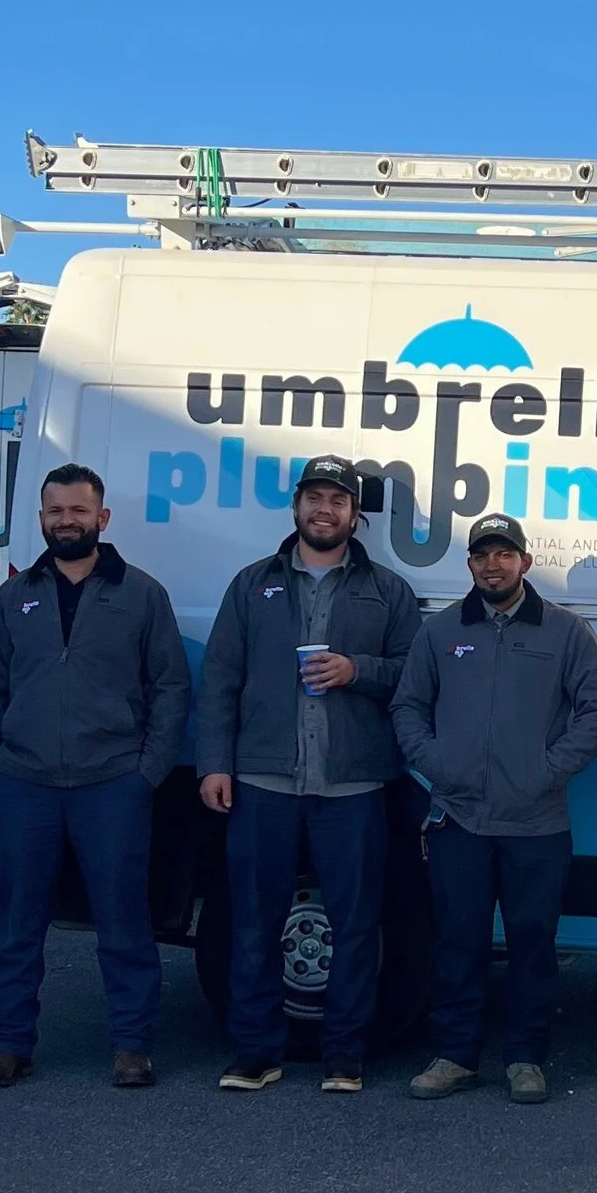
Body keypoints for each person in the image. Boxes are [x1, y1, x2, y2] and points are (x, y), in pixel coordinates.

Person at [197, 454, 419, 1095]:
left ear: (355, 515)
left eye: (337, 501)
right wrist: (214, 764)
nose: (325, 510)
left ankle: (344, 1057)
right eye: (315, 498)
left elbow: (415, 674)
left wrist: (358, 670)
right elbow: (220, 680)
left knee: (356, 926)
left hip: (354, 785)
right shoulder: (252, 585)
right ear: (296, 506)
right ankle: (255, 1053)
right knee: (254, 923)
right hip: (263, 781)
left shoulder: (388, 590)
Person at [0, 464, 188, 1091]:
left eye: (79, 510)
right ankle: (8, 1045)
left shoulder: (142, 593)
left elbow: (170, 687)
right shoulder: (16, 595)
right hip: (24, 781)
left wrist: (147, 770)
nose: (67, 521)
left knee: (123, 921)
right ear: (41, 518)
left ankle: (131, 1046)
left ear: (102, 517)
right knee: (18, 923)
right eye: (56, 511)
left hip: (113, 780)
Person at [391, 515, 597, 1103]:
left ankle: (526, 1058)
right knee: (458, 942)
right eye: (482, 555)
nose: (492, 565)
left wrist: (548, 770)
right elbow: (407, 708)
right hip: (458, 820)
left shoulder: (565, 631)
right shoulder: (442, 631)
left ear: (524, 561)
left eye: (504, 554)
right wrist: (438, 765)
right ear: (470, 563)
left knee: (532, 944)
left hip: (536, 823)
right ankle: (455, 1055)